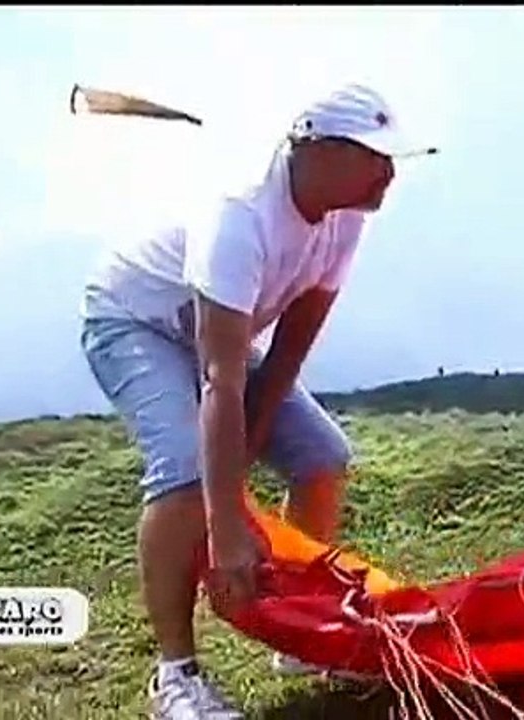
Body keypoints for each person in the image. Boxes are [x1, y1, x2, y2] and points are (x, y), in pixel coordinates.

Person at [78, 83, 434, 720]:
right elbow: (221, 381)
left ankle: (298, 629)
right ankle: (175, 679)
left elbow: (288, 353)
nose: (388, 172)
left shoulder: (345, 219)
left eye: (392, 159)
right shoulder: (241, 217)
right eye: (374, 156)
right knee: (185, 469)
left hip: (223, 340)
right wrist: (225, 527)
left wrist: (238, 487)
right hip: (136, 320)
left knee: (322, 455)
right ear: (317, 150)